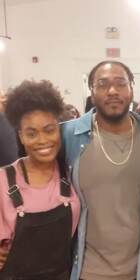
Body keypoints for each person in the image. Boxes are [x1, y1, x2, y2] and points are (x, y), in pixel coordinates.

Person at [61, 60, 140, 280]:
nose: (112, 91)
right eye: (102, 84)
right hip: (85, 271)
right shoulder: (69, 136)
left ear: (132, 87)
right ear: (91, 91)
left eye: (120, 83)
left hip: (139, 270)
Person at [0, 80, 80, 279]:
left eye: (49, 130)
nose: (43, 141)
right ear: (20, 136)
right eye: (31, 133)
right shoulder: (4, 181)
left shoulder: (71, 174)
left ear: (58, 130)